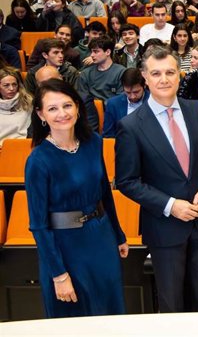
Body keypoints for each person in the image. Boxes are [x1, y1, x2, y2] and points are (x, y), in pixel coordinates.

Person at [115, 46, 198, 313]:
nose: (164, 79)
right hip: (164, 227)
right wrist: (171, 205)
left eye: (170, 72)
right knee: (172, 304)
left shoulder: (197, 110)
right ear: (145, 77)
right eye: (156, 73)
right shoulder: (131, 126)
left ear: (179, 75)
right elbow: (127, 181)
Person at [26, 79, 128, 317]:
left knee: (110, 314)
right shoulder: (38, 161)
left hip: (101, 239)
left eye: (67, 105)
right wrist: (58, 274)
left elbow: (104, 192)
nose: (62, 113)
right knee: (74, 320)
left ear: (78, 107)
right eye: (52, 108)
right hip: (65, 247)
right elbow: (39, 225)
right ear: (41, 114)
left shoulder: (93, 142)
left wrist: (118, 234)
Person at [102, 68, 149, 138]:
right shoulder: (113, 104)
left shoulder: (154, 101)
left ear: (144, 86)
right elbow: (108, 136)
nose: (132, 96)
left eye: (136, 92)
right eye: (128, 92)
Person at [0, 67, 32, 147]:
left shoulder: (28, 103)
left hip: (23, 147)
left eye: (14, 84)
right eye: (6, 85)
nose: (11, 89)